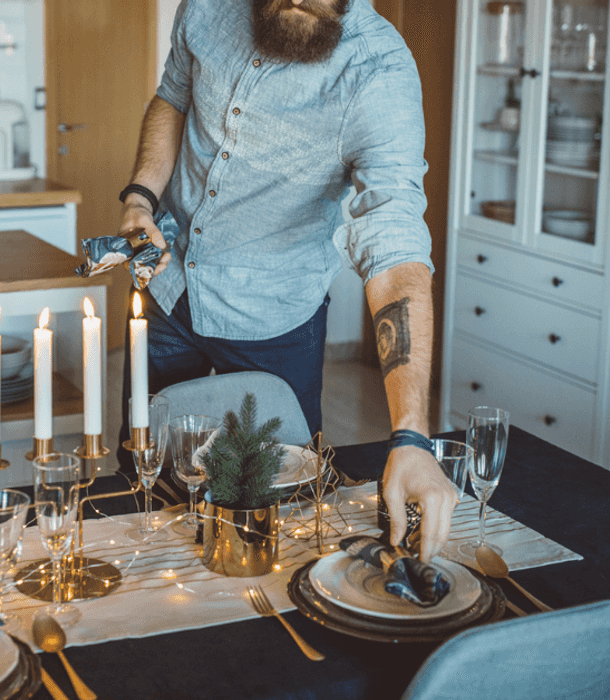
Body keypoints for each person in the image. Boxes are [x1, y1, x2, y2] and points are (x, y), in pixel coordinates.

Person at [116, 0, 456, 562]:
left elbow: (394, 250)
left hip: (277, 322)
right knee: (149, 489)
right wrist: (140, 199)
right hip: (168, 285)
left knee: (276, 519)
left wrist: (411, 436)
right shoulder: (205, 7)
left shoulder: (377, 73)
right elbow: (172, 97)